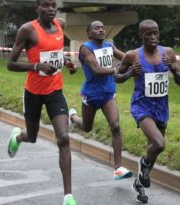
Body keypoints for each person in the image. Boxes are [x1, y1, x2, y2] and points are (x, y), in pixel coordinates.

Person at [6, 0, 78, 205]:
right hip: (33, 93)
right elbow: (10, 64)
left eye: (53, 5)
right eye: (45, 5)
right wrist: (37, 66)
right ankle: (18, 137)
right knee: (32, 136)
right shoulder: (27, 30)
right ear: (37, 7)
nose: (51, 9)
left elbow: (55, 51)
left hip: (55, 91)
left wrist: (66, 62)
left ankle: (68, 197)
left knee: (63, 138)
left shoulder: (60, 25)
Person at [116, 19, 180, 203]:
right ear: (141, 36)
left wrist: (173, 68)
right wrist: (130, 74)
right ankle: (143, 164)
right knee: (159, 144)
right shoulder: (132, 56)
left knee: (153, 149)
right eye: (148, 34)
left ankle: (139, 182)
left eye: (155, 33)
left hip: (161, 107)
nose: (153, 37)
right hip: (141, 106)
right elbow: (116, 77)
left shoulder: (168, 53)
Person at [69, 20, 132, 180]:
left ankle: (118, 168)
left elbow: (125, 58)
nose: (101, 30)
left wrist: (138, 62)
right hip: (91, 94)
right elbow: (96, 70)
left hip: (108, 93)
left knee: (115, 126)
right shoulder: (85, 48)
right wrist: (116, 70)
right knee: (86, 127)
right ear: (89, 33)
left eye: (103, 28)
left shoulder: (109, 46)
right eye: (97, 28)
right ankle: (73, 117)